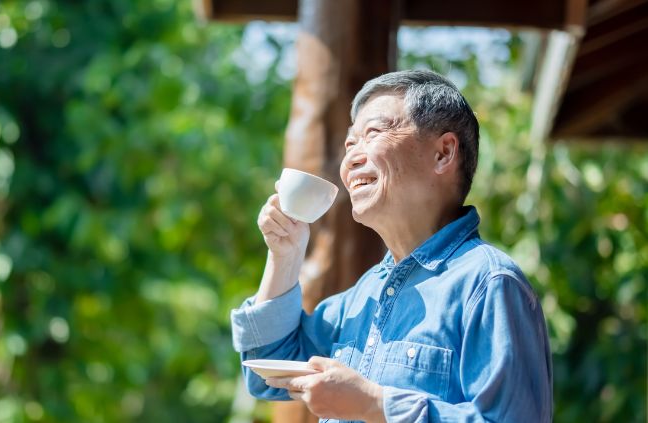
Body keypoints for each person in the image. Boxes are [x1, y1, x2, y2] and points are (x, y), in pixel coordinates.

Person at [230, 70, 552, 422]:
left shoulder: (489, 284)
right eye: (350, 144)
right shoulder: (365, 292)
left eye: (373, 133)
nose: (351, 157)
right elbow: (268, 369)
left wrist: (374, 404)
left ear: (443, 153)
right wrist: (285, 256)